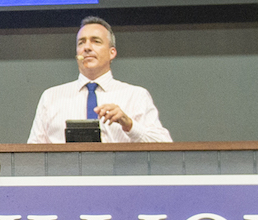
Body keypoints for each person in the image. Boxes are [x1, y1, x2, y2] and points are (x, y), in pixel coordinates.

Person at [27, 16, 171, 143]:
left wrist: (129, 124)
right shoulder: (51, 97)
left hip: (120, 172)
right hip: (64, 172)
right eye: (81, 43)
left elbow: (164, 145)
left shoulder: (136, 96)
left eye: (96, 41)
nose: (87, 48)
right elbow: (33, 153)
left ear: (111, 52)